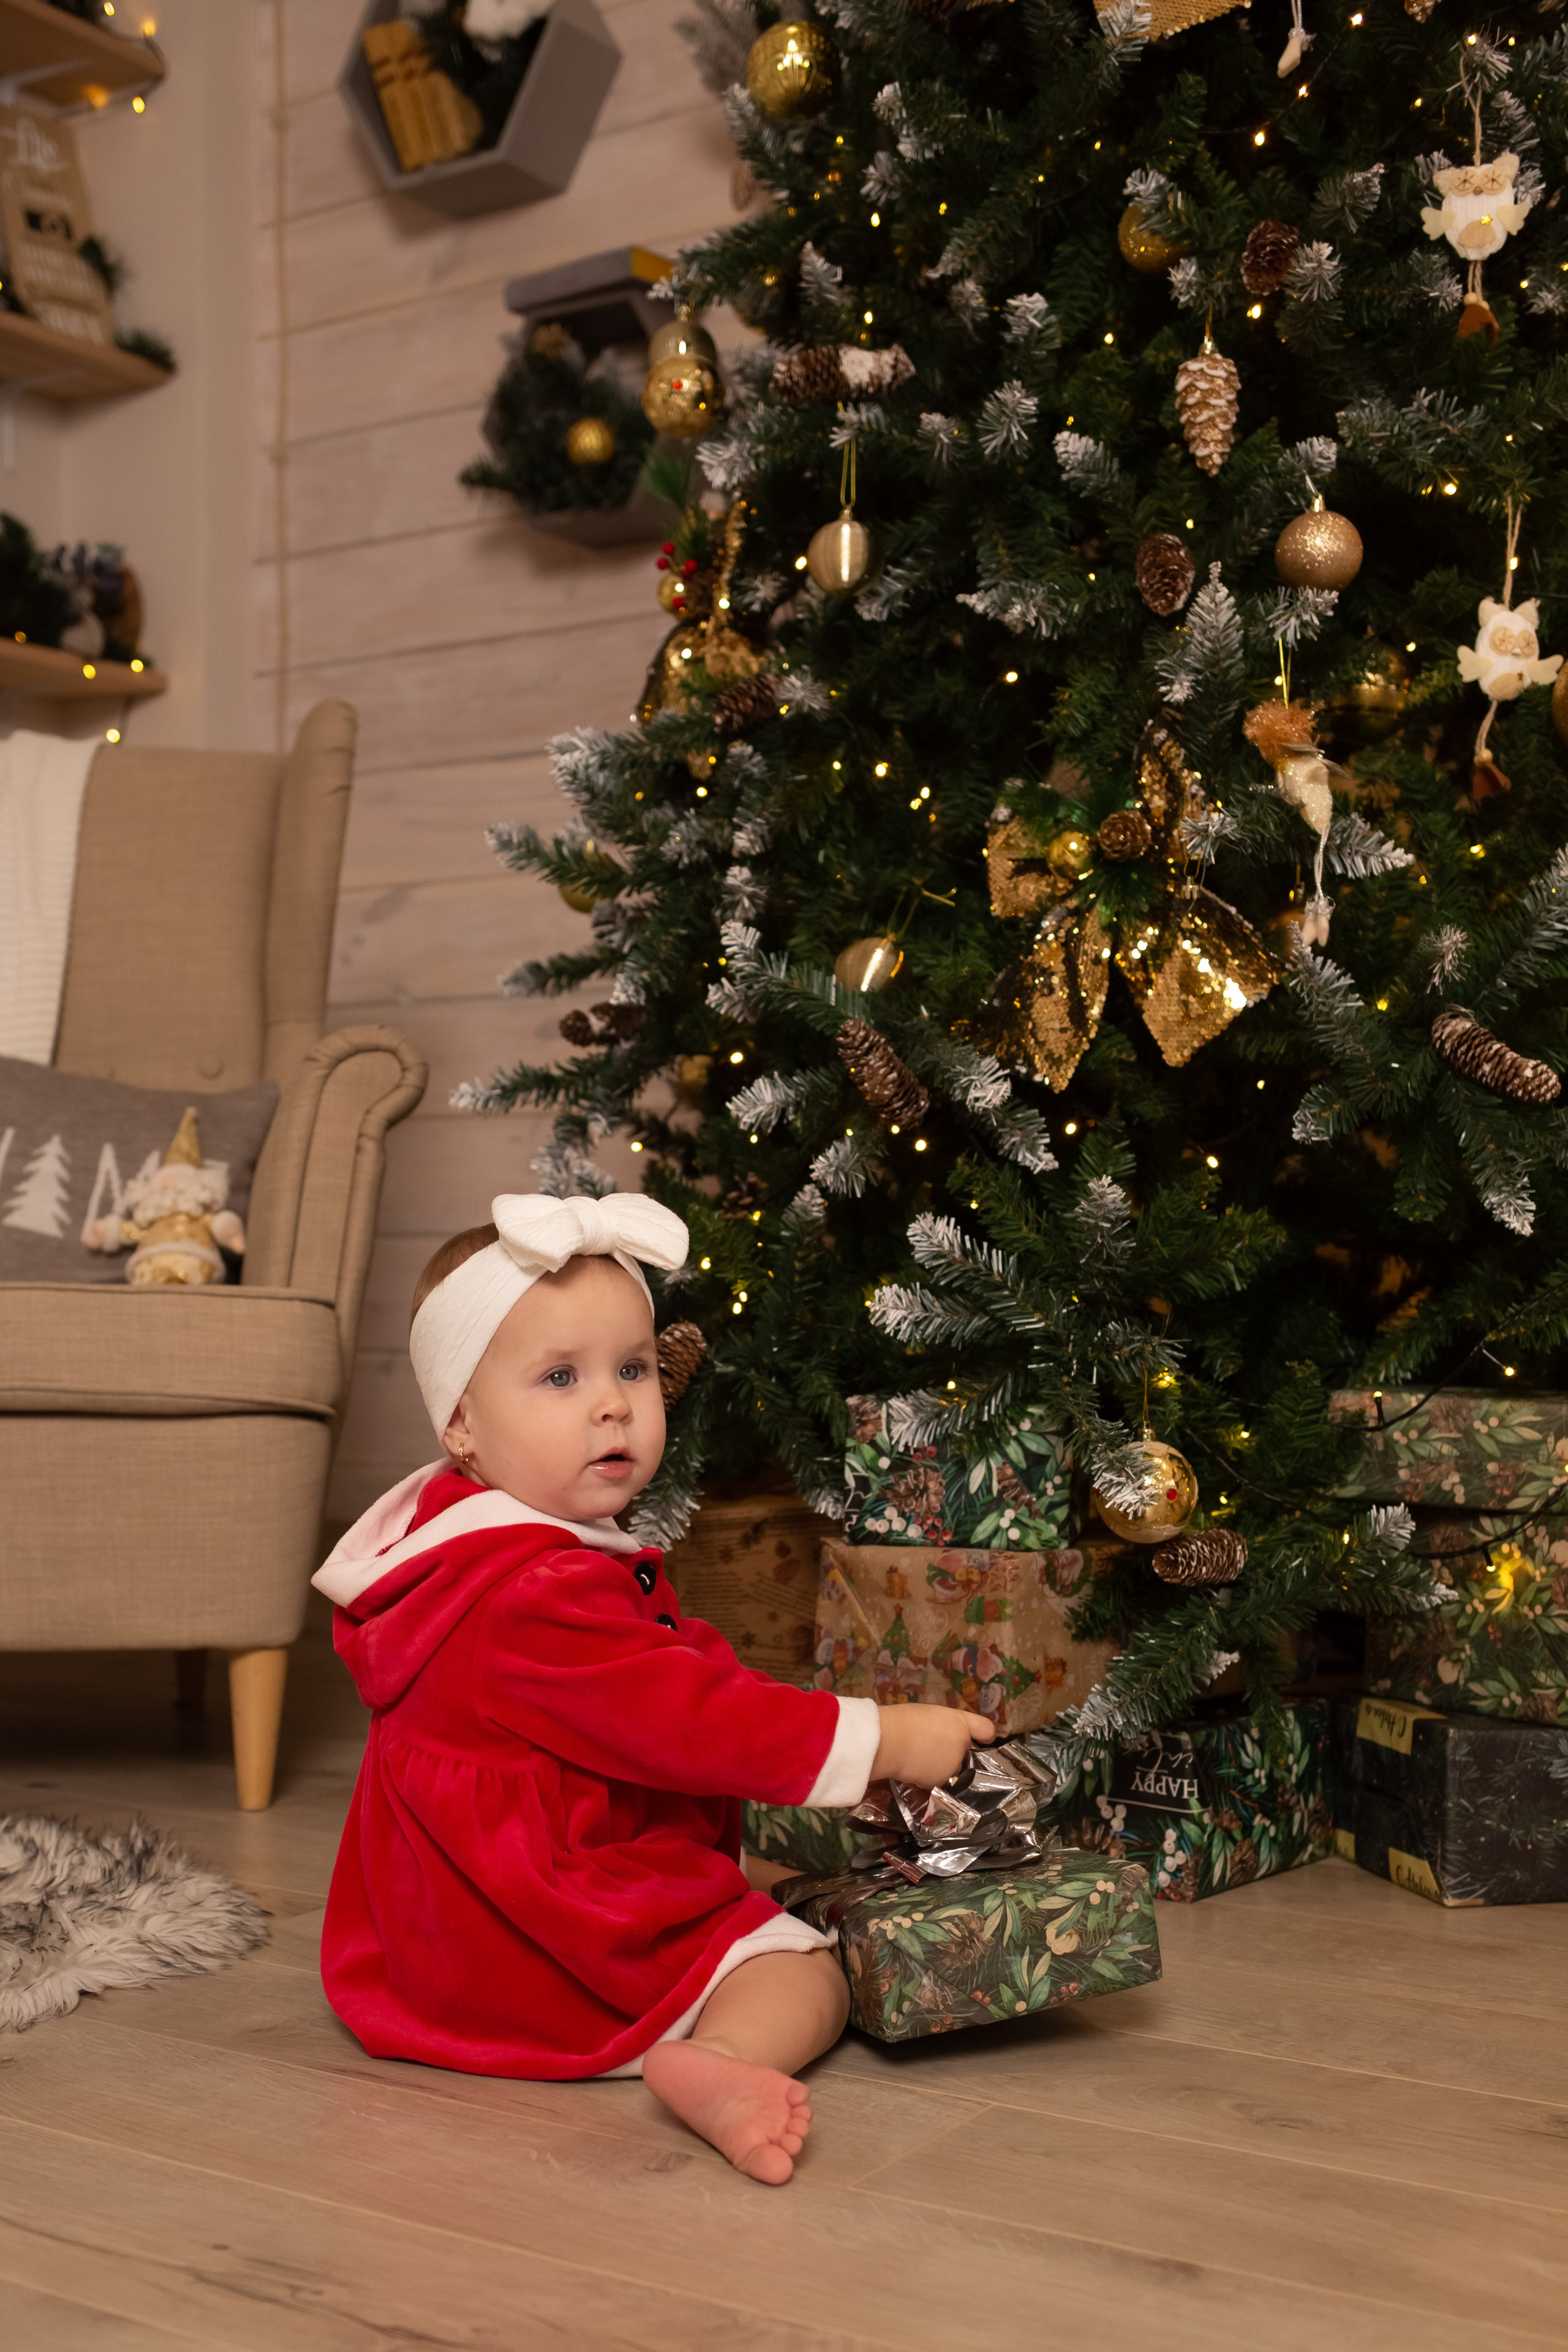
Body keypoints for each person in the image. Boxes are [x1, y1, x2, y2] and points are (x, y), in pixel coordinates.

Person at [315, 1193, 992, 2186]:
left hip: (429, 1934)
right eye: (561, 1377)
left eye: (632, 1367)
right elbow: (695, 1720)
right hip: (530, 1939)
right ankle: (716, 2062)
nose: (613, 1404)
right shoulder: (532, 1591)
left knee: (759, 1886)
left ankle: (695, 1987)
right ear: (459, 1420)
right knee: (807, 1969)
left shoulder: (464, 1543)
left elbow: (674, 1667)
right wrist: (882, 1739)